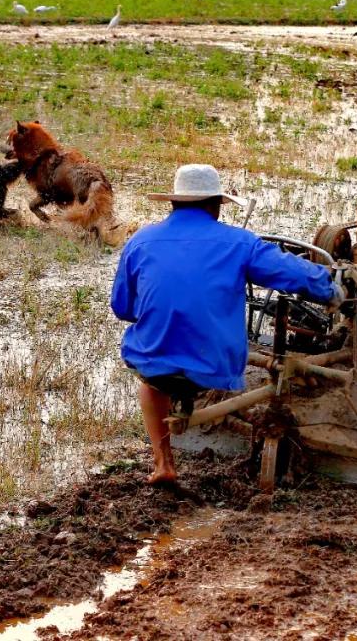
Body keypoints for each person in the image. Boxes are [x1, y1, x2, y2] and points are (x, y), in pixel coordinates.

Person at [110, 164, 343, 485]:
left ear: (173, 203)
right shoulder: (240, 243)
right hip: (216, 366)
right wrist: (330, 288)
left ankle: (163, 462)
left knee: (150, 383)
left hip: (153, 364)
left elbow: (122, 308)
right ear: (216, 205)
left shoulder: (140, 242)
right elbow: (291, 272)